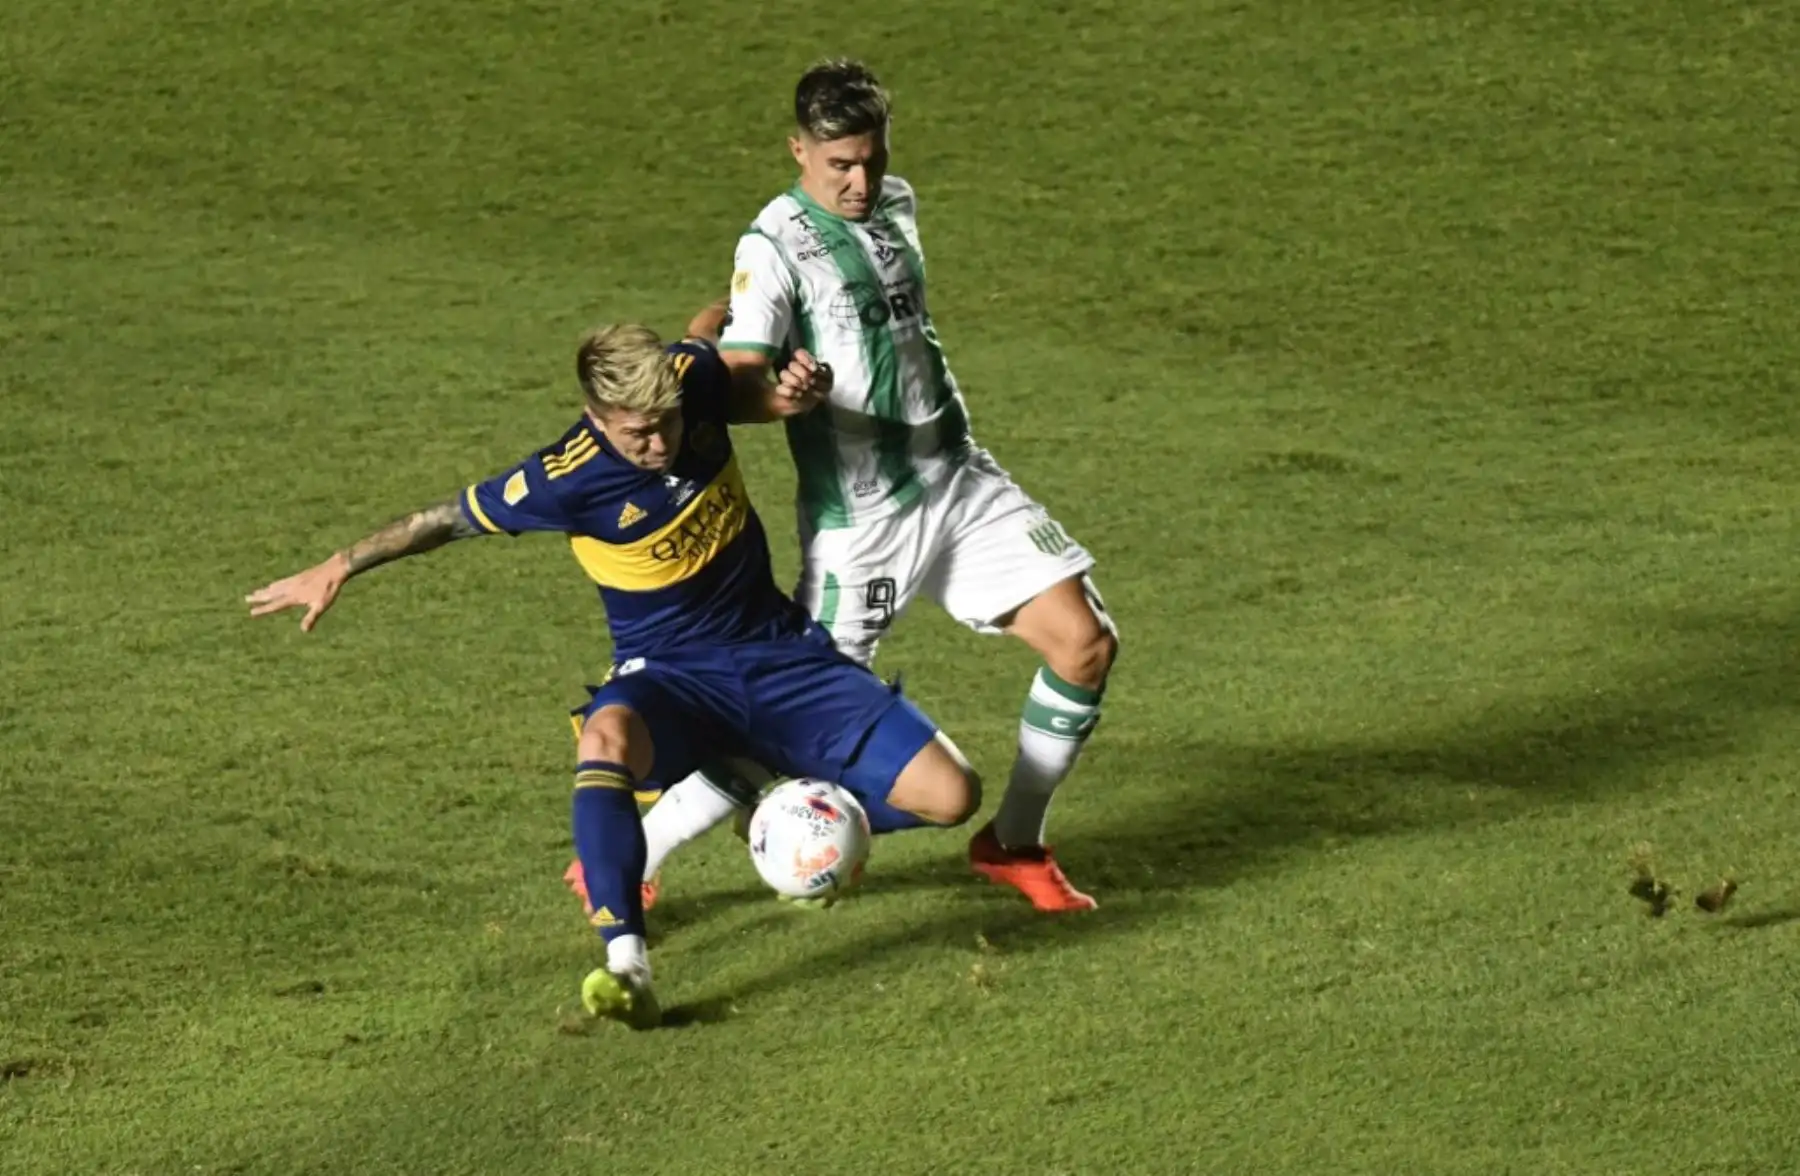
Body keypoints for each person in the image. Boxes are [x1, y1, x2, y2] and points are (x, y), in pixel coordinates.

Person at [246, 325, 982, 1029]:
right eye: (638, 432)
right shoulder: (560, 481)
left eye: (666, 422)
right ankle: (627, 965)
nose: (660, 443)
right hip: (672, 675)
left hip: (783, 653)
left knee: (952, 796)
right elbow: (444, 520)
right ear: (595, 416)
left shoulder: (688, 381)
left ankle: (766, 806)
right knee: (606, 735)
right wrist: (340, 564)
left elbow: (714, 337)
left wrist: (762, 345)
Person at [635, 58, 1118, 913]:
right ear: (798, 151)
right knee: (790, 721)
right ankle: (639, 847)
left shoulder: (897, 204)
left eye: (871, 160)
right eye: (839, 168)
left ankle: (1013, 841)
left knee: (1085, 642)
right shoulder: (772, 242)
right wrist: (776, 392)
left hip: (959, 478)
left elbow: (792, 310)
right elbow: (741, 375)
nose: (860, 184)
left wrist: (722, 318)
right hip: (863, 523)